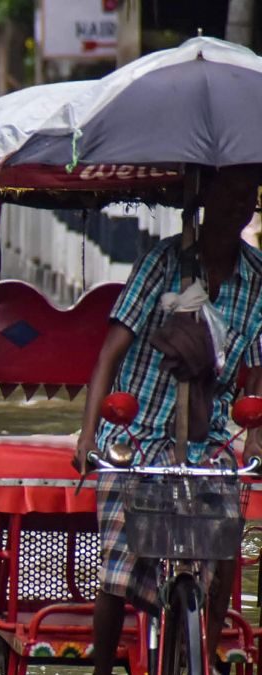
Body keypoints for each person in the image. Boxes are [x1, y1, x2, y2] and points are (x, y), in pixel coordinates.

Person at [74, 164, 262, 675]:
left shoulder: (258, 279)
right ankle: (102, 670)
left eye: (248, 195)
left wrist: (255, 443)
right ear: (206, 198)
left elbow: (258, 377)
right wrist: (89, 435)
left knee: (224, 549)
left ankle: (204, 650)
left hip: (207, 439)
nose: (236, 206)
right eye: (228, 193)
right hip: (136, 434)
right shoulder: (164, 263)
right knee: (118, 565)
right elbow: (109, 354)